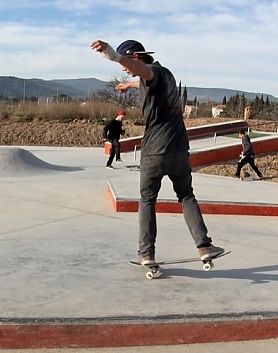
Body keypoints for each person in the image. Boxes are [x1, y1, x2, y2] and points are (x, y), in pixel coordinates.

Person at [92, 38, 221, 265]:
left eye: (126, 64)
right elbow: (143, 77)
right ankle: (204, 246)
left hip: (155, 151)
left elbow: (144, 71)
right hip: (179, 149)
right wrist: (127, 85)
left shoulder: (150, 72)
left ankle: (146, 253)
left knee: (147, 200)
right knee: (186, 196)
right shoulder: (167, 74)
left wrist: (113, 55)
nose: (124, 69)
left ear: (134, 57)